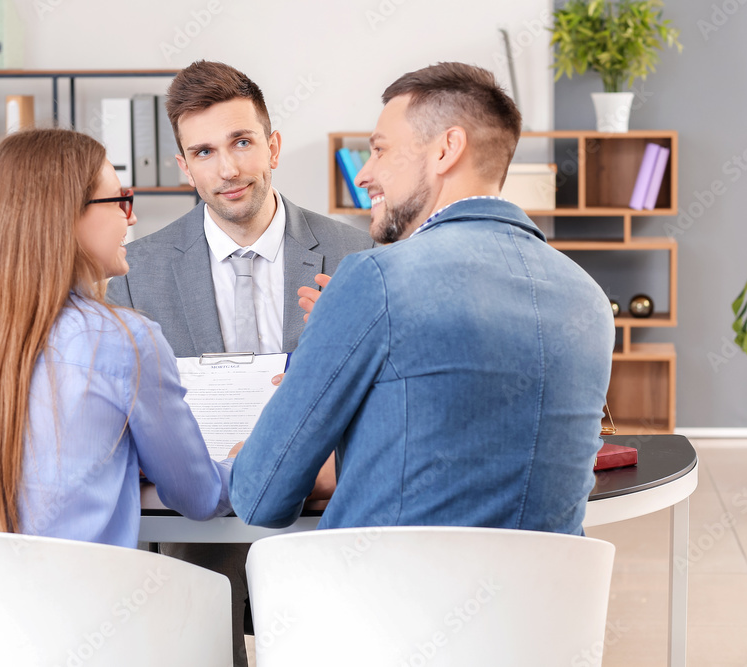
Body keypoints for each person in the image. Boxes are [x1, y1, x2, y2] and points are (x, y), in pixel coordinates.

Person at [231, 62, 615, 536]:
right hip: (546, 585)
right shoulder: (589, 298)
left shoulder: (374, 278)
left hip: (377, 583)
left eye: (379, 150)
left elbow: (260, 498)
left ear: (446, 150)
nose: (364, 174)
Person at [105, 60, 373, 667]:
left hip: (320, 511)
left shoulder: (356, 253)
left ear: (272, 147)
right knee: (190, 609)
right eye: (204, 152)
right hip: (195, 515)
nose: (226, 169)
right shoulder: (136, 271)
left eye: (242, 142)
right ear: (184, 167)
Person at [0, 128, 233, 548]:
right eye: (119, 200)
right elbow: (201, 496)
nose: (131, 217)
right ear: (64, 216)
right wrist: (241, 460)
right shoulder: (124, 339)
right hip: (88, 591)